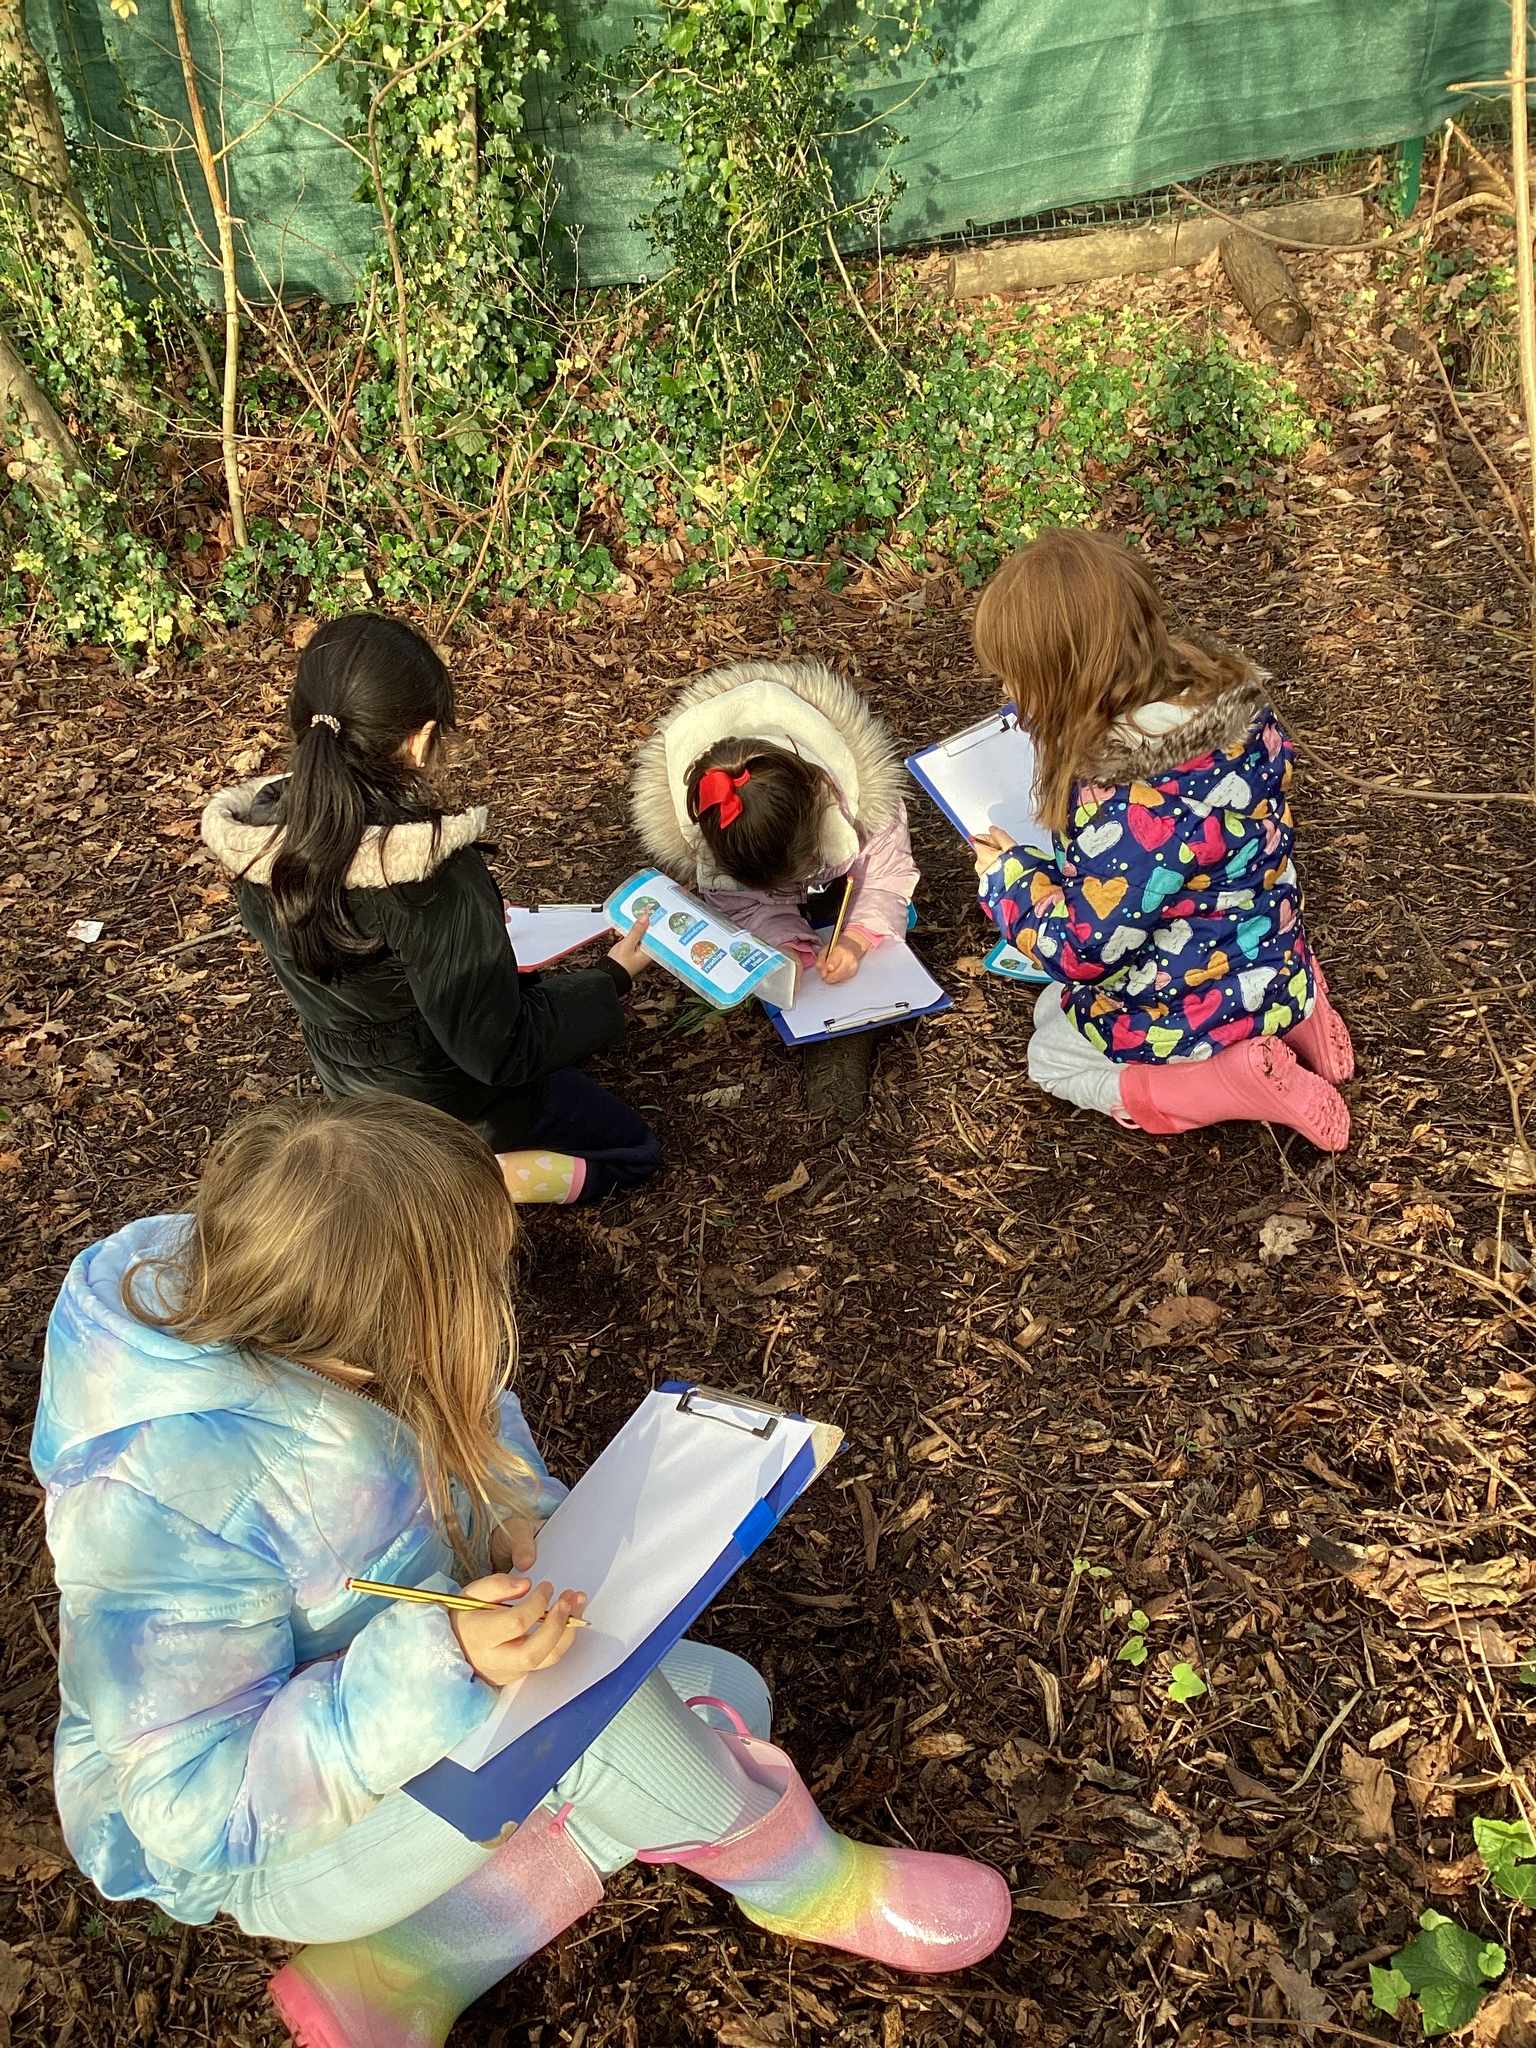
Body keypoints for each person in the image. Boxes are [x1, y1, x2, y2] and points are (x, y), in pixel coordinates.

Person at [34, 1096, 1012, 2048]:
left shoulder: (311, 1303)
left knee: (728, 1694)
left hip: (415, 1713)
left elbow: (474, 1420)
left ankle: (406, 1967)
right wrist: (443, 1660)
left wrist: (512, 1511)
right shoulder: (167, 1498)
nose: (497, 1305)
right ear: (388, 1318)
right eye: (474, 1288)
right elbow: (194, 1805)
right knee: (599, 1717)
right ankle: (802, 1883)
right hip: (274, 1846)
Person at [201, 613, 658, 1204]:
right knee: (632, 1151)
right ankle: (464, 1182)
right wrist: (612, 977)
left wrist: (473, 939)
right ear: (419, 741)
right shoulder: (428, 876)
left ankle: (423, 1170)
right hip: (453, 1106)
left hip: (353, 1094)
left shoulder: (261, 836)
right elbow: (498, 1050)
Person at [970, 529, 1355, 1147]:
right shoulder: (1237, 713)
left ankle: (1228, 1080)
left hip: (1191, 1002)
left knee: (1050, 1053)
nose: (1010, 696)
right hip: (1273, 949)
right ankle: (1304, 1013)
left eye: (1019, 679)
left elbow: (1085, 950)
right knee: (1056, 1006)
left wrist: (1008, 879)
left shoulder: (1126, 808)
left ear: (1067, 677)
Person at [631, 659, 918, 986]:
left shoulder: (868, 800)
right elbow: (743, 906)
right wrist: (783, 947)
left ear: (821, 802)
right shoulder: (716, 837)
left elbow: (887, 874)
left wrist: (857, 937)